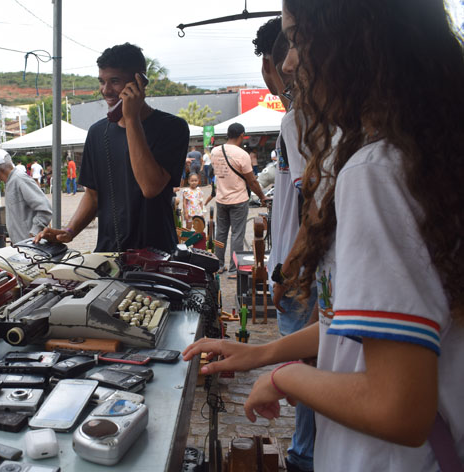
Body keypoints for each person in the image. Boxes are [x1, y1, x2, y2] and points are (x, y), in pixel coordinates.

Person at [184, 0, 464, 470]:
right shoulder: (422, 157)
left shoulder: (376, 172)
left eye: (295, 40)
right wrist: (263, 353)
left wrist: (287, 378)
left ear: (354, 42)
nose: (289, 64)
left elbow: (396, 407)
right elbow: (356, 328)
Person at [35, 43, 189, 252]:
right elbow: (93, 195)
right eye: (102, 81)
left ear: (139, 81)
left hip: (157, 255)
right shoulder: (97, 132)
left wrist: (131, 118)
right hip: (108, 254)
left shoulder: (172, 127)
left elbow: (150, 187)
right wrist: (69, 231)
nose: (106, 90)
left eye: (114, 81)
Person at [254, 17, 316, 472]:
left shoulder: (298, 120)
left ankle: (303, 456)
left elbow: (314, 210)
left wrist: (286, 271)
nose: (285, 70)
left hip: (302, 276)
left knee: (307, 376)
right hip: (302, 272)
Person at [211, 122, 267, 275]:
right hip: (238, 200)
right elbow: (252, 181)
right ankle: (235, 268)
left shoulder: (215, 151)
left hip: (221, 199)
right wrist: (262, 196)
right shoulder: (242, 154)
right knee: (237, 234)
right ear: (242, 135)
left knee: (220, 233)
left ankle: (219, 265)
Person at [0, 149, 51, 244]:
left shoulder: (20, 179)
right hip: (23, 246)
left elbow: (45, 208)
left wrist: (33, 233)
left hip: (33, 246)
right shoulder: (10, 181)